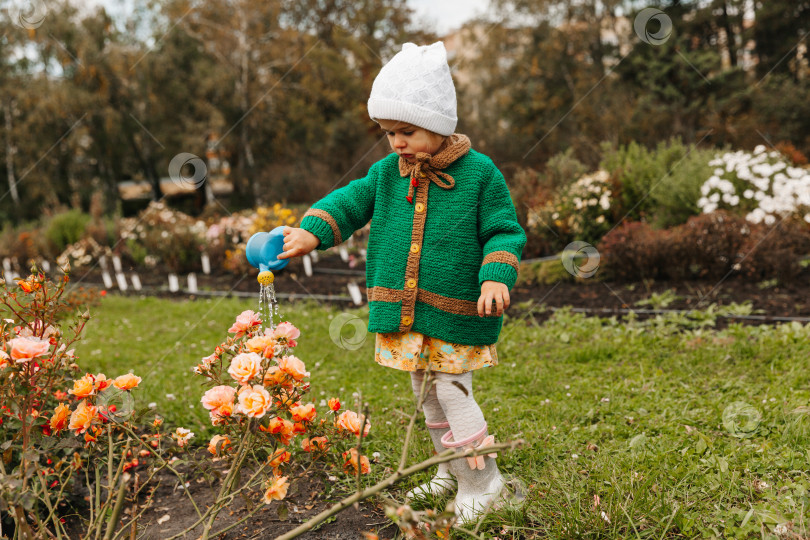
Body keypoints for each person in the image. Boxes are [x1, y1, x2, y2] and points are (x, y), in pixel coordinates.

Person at [277, 41, 526, 524]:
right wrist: (312, 231)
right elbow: (349, 203)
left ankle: (482, 481)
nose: (396, 142)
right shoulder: (388, 174)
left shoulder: (479, 174)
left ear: (437, 123)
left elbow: (503, 229)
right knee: (425, 392)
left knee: (453, 390)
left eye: (406, 131)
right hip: (405, 311)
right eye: (389, 132)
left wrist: (495, 276)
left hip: (457, 311)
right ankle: (447, 468)